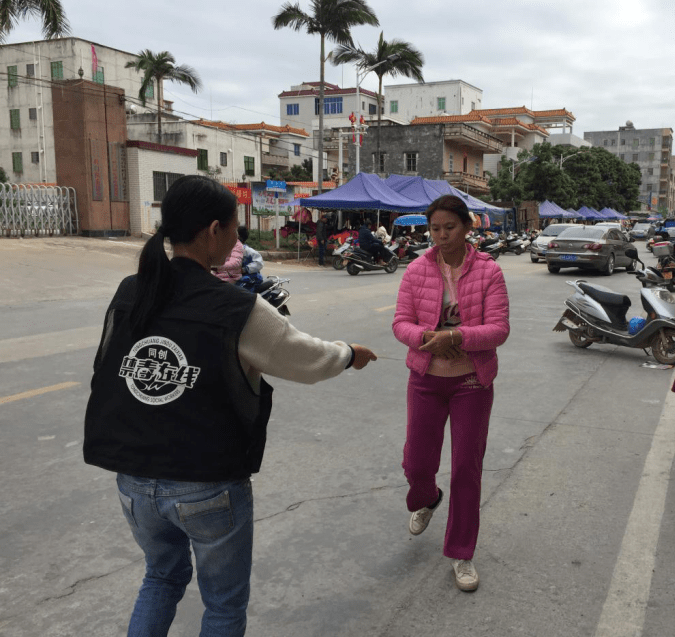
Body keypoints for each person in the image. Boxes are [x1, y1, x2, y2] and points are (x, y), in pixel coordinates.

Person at [83, 175, 377, 636]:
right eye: (236, 229)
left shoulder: (129, 291)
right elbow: (309, 359)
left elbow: (105, 367)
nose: (237, 241)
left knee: (161, 577)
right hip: (208, 486)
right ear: (214, 230)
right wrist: (349, 354)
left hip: (133, 481)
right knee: (222, 606)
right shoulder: (238, 308)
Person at [392, 194, 510, 592]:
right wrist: (426, 337)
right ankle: (427, 497)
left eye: (450, 228)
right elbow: (400, 324)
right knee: (416, 463)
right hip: (425, 377)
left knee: (466, 469)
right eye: (435, 229)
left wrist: (457, 335)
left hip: (471, 382)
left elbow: (498, 329)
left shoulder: (490, 273)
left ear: (467, 227)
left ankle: (462, 553)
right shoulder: (416, 270)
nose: (441, 236)